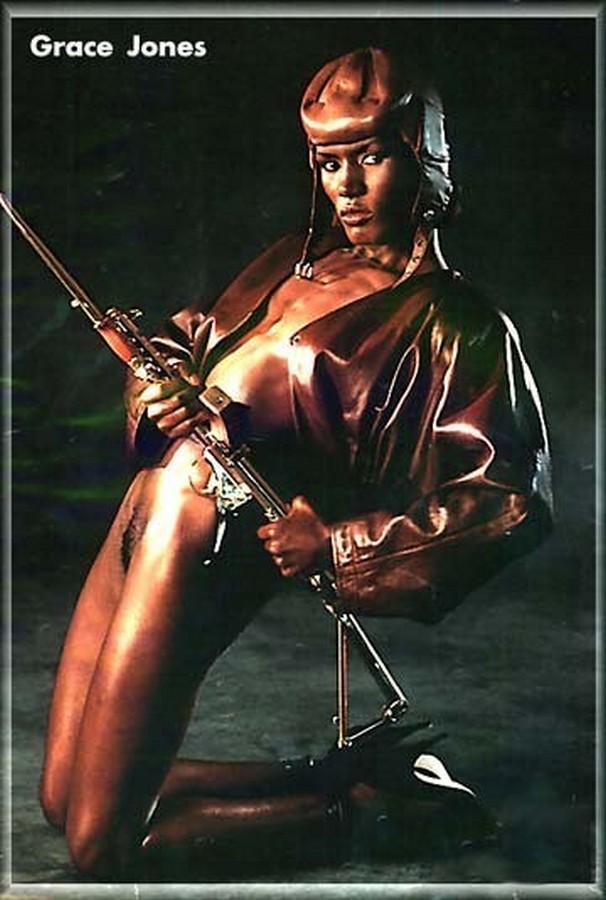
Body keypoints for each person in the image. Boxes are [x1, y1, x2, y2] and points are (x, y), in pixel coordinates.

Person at [38, 47, 553, 879]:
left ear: (422, 157)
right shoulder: (290, 258)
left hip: (207, 535)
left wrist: (339, 543)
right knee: (60, 799)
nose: (346, 187)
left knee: (103, 845)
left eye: (370, 158)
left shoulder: (453, 322)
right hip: (145, 508)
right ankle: (336, 776)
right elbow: (193, 336)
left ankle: (372, 813)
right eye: (328, 163)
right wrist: (159, 382)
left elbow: (508, 501)